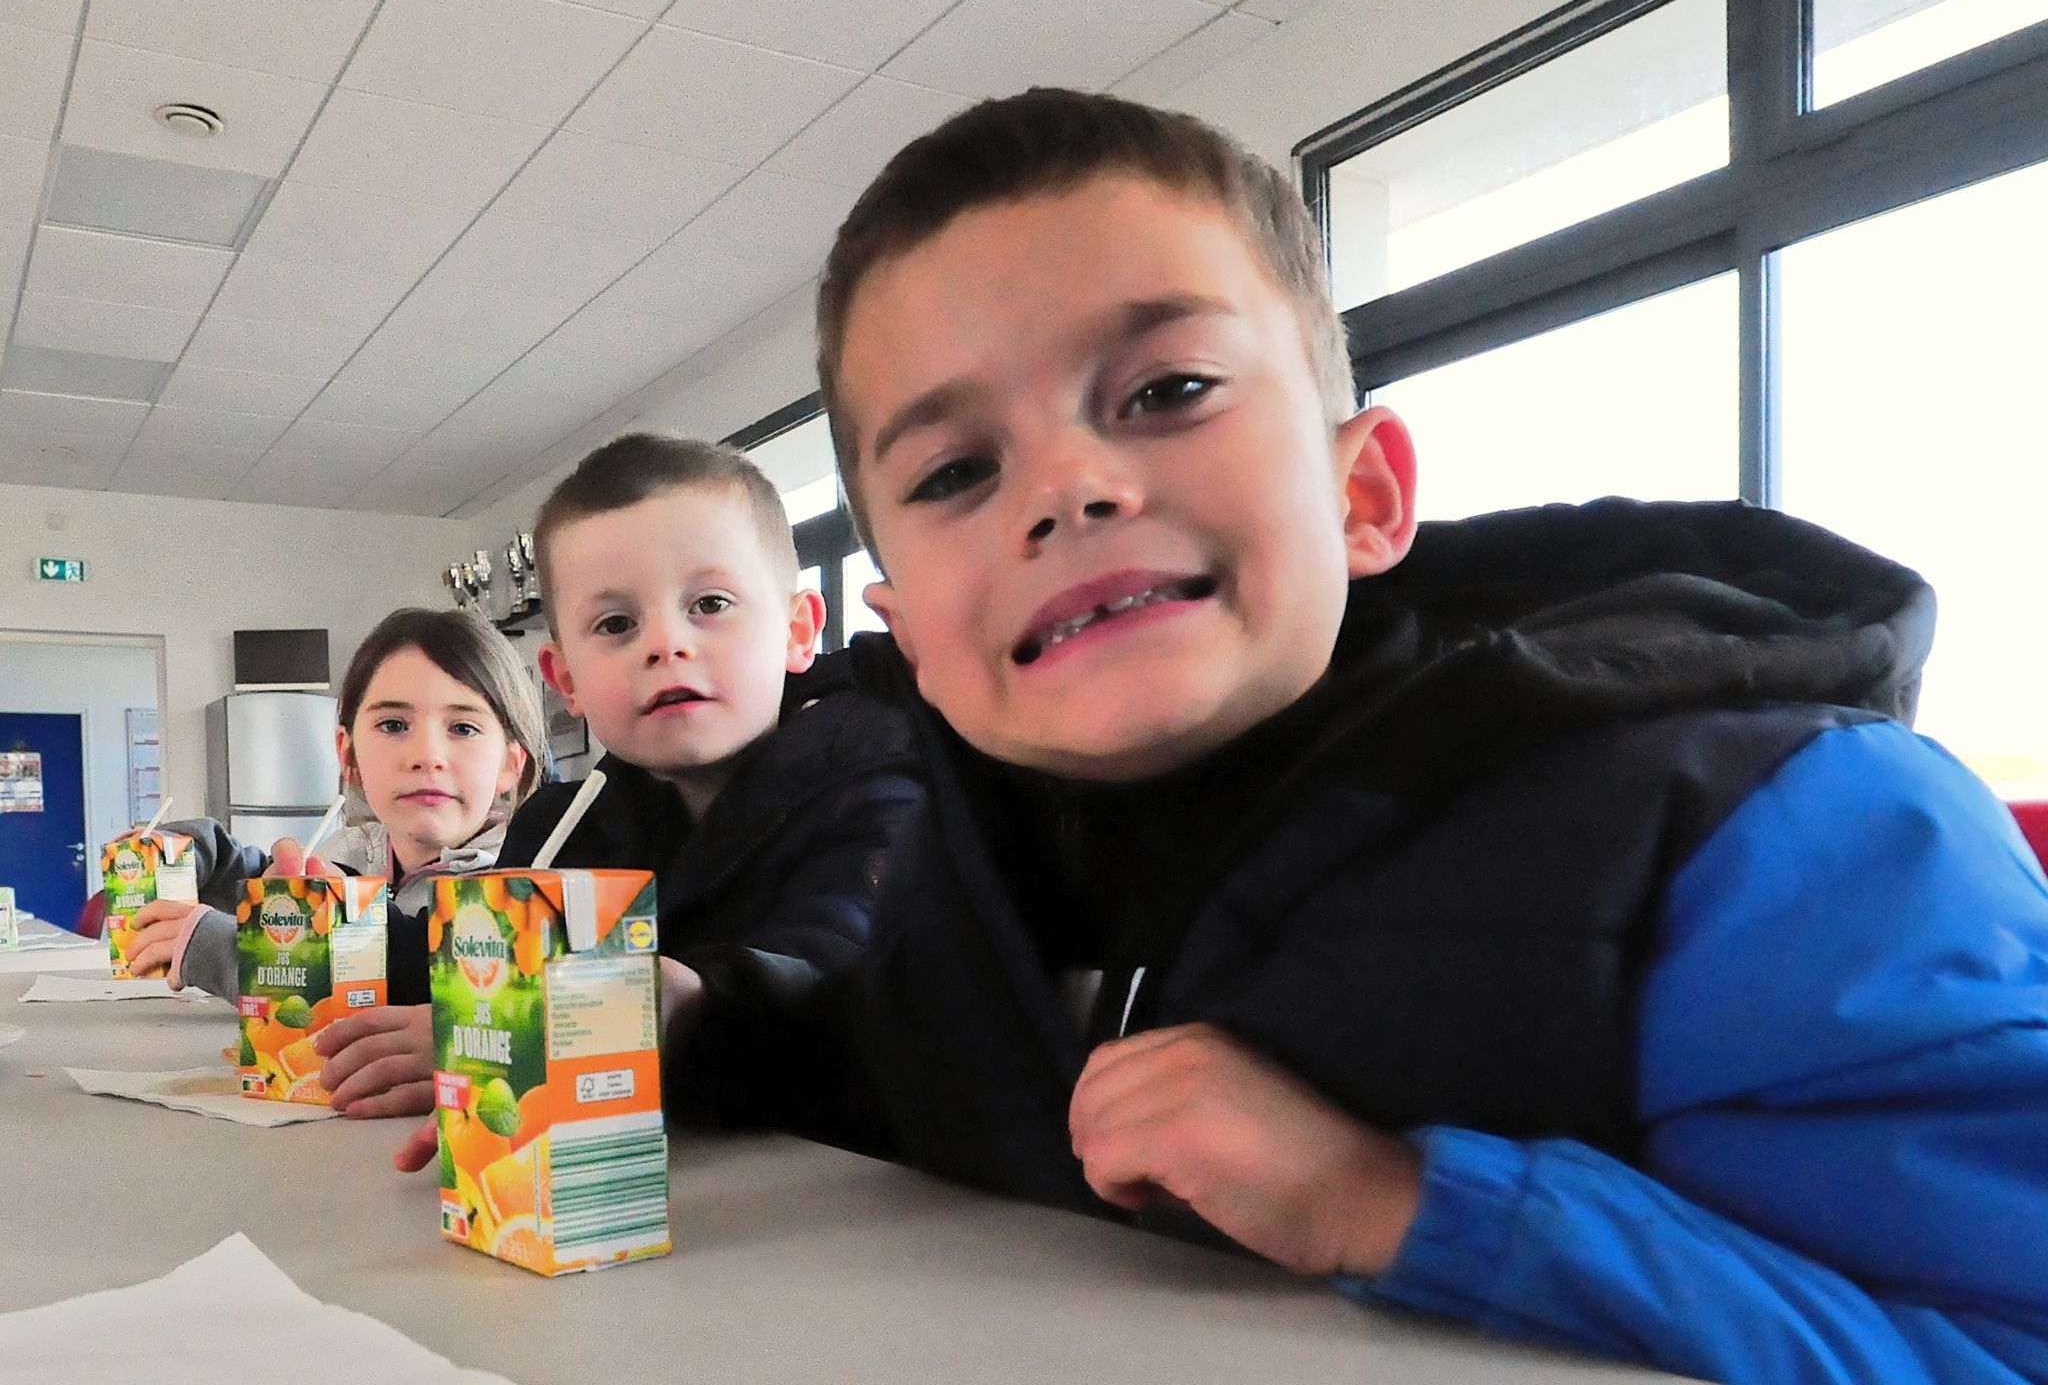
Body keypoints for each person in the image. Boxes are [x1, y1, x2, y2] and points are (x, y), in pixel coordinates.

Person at [796, 86, 2048, 1383]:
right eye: (955, 472)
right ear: (915, 641)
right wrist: (710, 1014)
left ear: (1365, 495)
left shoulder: (1780, 832)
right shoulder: (967, 868)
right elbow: (889, 1067)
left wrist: (1398, 1204)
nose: (1065, 488)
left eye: (1166, 390)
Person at [392, 434, 922, 1172]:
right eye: (616, 625)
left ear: (798, 631)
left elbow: (836, 964)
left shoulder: (882, 787)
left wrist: (683, 1001)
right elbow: (463, 973)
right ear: (565, 679)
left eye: (710, 604)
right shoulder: (558, 828)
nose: (666, 644)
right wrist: (331, 943)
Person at [123, 607, 543, 1118]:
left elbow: (401, 985)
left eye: (463, 727)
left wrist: (226, 953)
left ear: (509, 765)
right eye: (393, 724)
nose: (427, 754)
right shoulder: (349, 854)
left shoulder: (523, 886)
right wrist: (200, 853)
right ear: (347, 756)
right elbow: (261, 881)